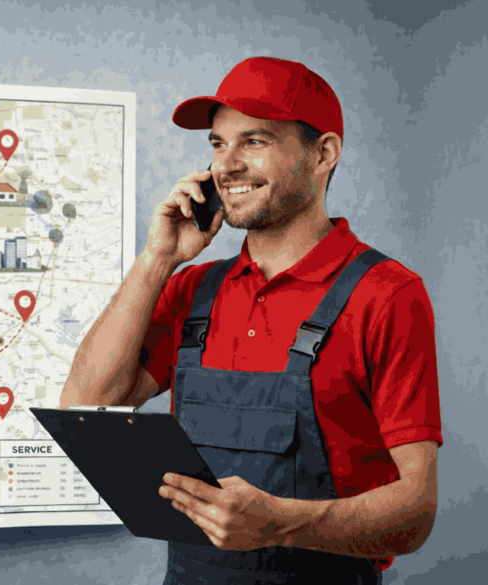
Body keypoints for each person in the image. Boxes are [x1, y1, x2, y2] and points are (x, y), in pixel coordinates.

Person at [59, 56, 441, 585]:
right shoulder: (195, 289)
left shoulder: (386, 294)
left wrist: (283, 524)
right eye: (218, 144)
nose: (226, 165)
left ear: (323, 154)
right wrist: (157, 260)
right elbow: (85, 407)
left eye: (254, 141)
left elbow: (415, 513)